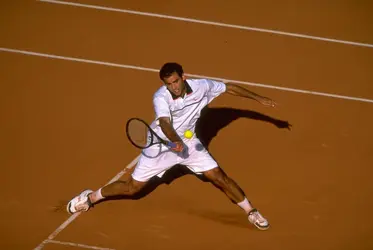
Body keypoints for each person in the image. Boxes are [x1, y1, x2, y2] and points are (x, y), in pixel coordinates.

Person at [67, 62, 277, 230]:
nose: (174, 87)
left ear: (183, 77)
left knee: (218, 176)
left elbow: (228, 87)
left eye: (176, 81)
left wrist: (258, 98)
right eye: (169, 84)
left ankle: (251, 212)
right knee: (133, 189)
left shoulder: (202, 87)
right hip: (158, 147)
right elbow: (165, 123)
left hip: (187, 143)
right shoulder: (161, 97)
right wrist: (175, 142)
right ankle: (90, 197)